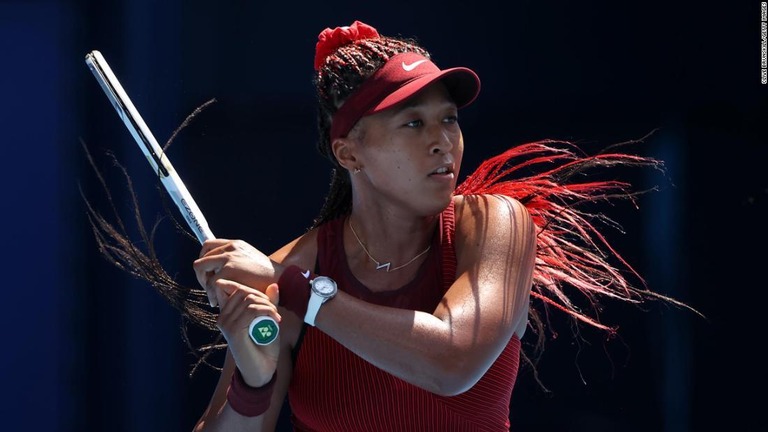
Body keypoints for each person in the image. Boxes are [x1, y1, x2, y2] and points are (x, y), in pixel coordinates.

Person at [82, 19, 692, 432]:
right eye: (412, 124)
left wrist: (295, 291)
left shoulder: (494, 225)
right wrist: (252, 376)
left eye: (448, 119)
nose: (443, 143)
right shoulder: (290, 268)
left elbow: (452, 361)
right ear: (349, 153)